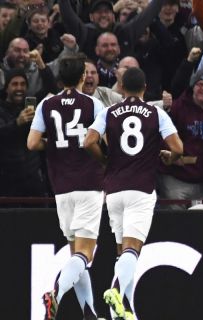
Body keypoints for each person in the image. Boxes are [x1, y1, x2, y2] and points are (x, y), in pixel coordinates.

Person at [84, 67, 183, 319]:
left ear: (122, 88)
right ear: (145, 88)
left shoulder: (108, 111)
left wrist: (105, 160)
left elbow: (89, 141)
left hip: (114, 190)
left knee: (122, 254)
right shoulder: (155, 112)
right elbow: (178, 147)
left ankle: (122, 313)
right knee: (133, 249)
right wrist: (170, 158)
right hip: (141, 188)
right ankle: (116, 290)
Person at [27, 53, 105, 320]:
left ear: (60, 77)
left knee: (76, 253)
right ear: (84, 76)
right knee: (85, 254)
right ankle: (56, 293)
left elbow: (32, 142)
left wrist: (53, 144)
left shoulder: (46, 105)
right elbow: (101, 141)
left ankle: (90, 313)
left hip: (60, 185)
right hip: (89, 184)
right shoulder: (93, 105)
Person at [156, 68, 203, 205]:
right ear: (193, 86)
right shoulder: (176, 107)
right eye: (200, 84)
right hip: (174, 177)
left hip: (201, 181)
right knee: (176, 220)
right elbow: (161, 138)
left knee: (199, 223)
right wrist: (172, 158)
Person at [0, 68, 47, 197]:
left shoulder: (32, 108)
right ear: (6, 88)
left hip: (33, 178)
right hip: (7, 180)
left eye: (23, 84)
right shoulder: (1, 109)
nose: (19, 88)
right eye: (14, 84)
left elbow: (51, 89)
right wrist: (17, 123)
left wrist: (41, 65)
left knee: (39, 216)